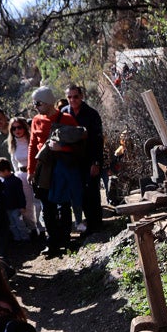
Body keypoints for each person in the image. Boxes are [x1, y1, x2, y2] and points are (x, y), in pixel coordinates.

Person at [26, 86, 82, 257]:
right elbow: (32, 145)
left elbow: (78, 144)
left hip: (61, 168)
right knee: (46, 207)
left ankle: (65, 239)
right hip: (44, 169)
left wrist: (61, 148)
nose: (35, 106)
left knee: (63, 205)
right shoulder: (36, 120)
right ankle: (52, 242)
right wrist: (31, 169)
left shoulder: (67, 119)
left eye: (38, 103)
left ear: (48, 102)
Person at [64, 84, 105, 234]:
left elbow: (98, 140)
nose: (72, 100)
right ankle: (87, 225)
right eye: (69, 97)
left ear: (81, 96)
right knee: (78, 194)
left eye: (75, 96)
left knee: (92, 193)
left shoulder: (91, 114)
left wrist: (96, 162)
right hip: (72, 162)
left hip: (89, 159)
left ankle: (96, 225)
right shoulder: (64, 114)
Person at [8, 115, 43, 240]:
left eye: (19, 127)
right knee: (27, 204)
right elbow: (14, 162)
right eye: (13, 128)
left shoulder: (31, 140)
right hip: (22, 176)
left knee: (39, 202)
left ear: (24, 127)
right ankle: (33, 229)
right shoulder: (13, 144)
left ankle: (42, 228)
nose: (17, 130)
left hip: (36, 174)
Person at [0, 158, 29, 242]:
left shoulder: (16, 181)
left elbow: (21, 195)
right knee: (12, 225)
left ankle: (25, 238)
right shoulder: (2, 181)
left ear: (6, 170)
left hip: (16, 207)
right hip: (8, 208)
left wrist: (22, 206)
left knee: (20, 224)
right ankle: (17, 238)